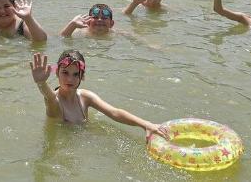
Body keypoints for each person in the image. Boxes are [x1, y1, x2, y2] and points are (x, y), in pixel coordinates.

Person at [29, 51, 170, 139]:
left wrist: (146, 124)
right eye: (65, 73)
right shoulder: (55, 103)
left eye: (75, 74)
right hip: (58, 150)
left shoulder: (85, 97)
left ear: (82, 77)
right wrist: (41, 83)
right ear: (57, 73)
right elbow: (48, 96)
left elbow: (114, 112)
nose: (70, 79)